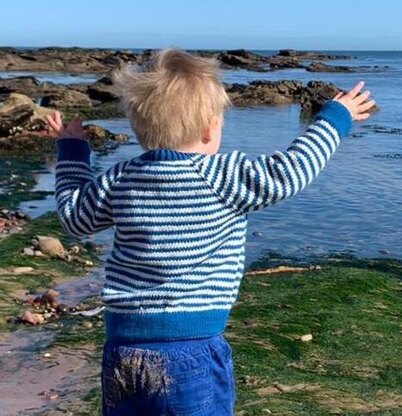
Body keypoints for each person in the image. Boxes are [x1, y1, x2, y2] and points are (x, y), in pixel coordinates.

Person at [46, 48, 375, 416]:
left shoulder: (120, 178)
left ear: (140, 128)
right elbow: (293, 170)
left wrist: (73, 152)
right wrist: (334, 119)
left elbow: (74, 217)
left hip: (123, 349)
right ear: (208, 128)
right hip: (191, 352)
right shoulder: (224, 177)